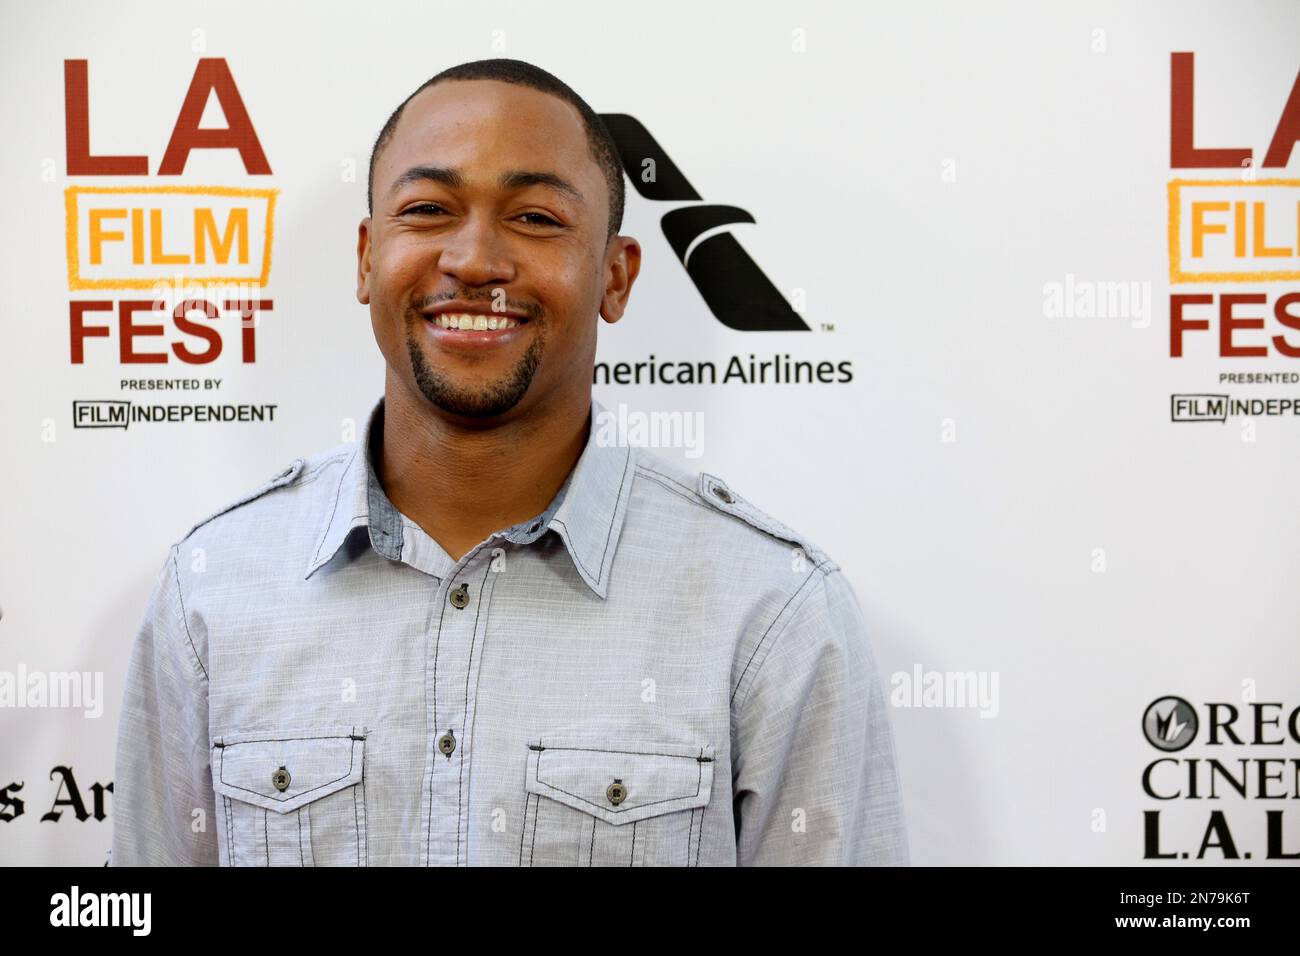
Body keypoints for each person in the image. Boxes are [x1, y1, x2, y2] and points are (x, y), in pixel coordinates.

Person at [109, 57, 909, 866]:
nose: (476, 260)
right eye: (427, 209)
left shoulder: (769, 611)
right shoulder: (213, 589)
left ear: (616, 275)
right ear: (365, 257)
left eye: (534, 218)